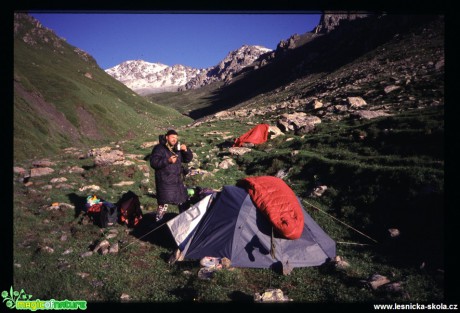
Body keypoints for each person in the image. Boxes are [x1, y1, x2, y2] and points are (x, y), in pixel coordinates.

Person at [150, 129, 193, 222]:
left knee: (183, 202)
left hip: (177, 181)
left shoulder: (177, 148)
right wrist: (167, 161)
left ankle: (184, 224)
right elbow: (153, 163)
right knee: (163, 206)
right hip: (165, 182)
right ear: (166, 137)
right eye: (172, 137)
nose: (175, 139)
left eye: (176, 138)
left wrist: (186, 150)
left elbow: (187, 159)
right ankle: (158, 225)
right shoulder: (159, 148)